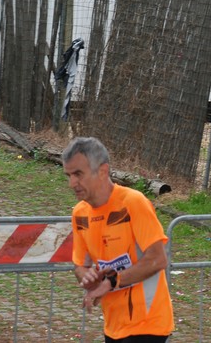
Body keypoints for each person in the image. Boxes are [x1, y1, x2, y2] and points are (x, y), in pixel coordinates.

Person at [63, 137, 174, 342]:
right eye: (68, 175)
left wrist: (112, 282)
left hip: (148, 324)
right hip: (114, 325)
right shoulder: (80, 214)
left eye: (78, 174)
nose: (72, 183)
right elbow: (80, 266)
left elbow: (158, 260)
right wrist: (88, 279)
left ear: (103, 171)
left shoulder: (133, 203)